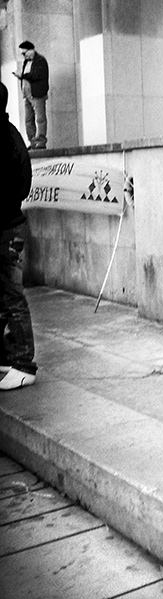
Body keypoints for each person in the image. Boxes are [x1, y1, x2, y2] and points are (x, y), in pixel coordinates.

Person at [0, 81, 37, 390]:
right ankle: (10, 355)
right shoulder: (10, 134)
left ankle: (23, 362)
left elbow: (17, 184)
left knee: (12, 296)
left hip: (6, 226)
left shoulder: (4, 139)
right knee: (5, 295)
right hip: (9, 222)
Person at [12, 41, 49, 150]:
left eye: (24, 53)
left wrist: (22, 75)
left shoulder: (40, 61)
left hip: (37, 94)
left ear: (31, 50)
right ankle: (33, 142)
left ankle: (41, 141)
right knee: (28, 120)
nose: (24, 56)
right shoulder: (26, 62)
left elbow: (36, 75)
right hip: (27, 95)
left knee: (40, 118)